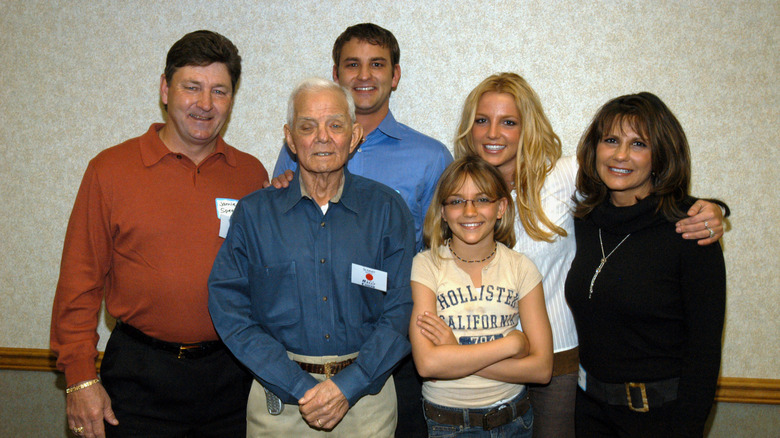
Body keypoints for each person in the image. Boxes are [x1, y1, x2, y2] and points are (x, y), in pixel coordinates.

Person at [453, 73, 726, 437]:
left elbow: (634, 184)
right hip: (485, 362)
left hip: (561, 364)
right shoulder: (457, 192)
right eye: (481, 120)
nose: (492, 133)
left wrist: (713, 210)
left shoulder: (564, 180)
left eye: (509, 122)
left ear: (527, 127)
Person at [49, 30, 269, 438]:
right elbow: (79, 282)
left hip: (231, 377)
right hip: (138, 377)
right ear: (165, 89)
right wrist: (80, 378)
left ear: (232, 100)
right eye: (192, 87)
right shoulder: (110, 170)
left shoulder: (251, 175)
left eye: (219, 91)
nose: (205, 104)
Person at [271, 23, 453, 436]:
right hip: (306, 348)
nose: (364, 76)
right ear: (336, 74)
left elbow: (440, 251)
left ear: (396, 74)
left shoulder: (429, 157)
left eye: (377, 64)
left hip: (393, 342)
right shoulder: (297, 149)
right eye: (352, 64)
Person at [208, 78, 416, 437]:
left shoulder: (387, 210)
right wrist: (298, 386)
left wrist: (348, 385)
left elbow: (402, 308)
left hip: (368, 399)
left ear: (354, 137)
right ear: (290, 138)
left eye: (335, 125)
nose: (322, 136)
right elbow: (229, 307)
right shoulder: (254, 214)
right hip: (279, 400)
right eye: (308, 126)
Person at [565, 92, 726, 436]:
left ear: (661, 155)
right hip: (590, 412)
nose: (620, 155)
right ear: (595, 148)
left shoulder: (690, 229)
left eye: (638, 143)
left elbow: (705, 350)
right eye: (611, 140)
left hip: (661, 419)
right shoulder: (584, 220)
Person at [410, 155, 553, 436]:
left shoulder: (521, 267)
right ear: (442, 211)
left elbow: (541, 369)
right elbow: (428, 364)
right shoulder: (426, 265)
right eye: (456, 201)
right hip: (448, 423)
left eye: (482, 199)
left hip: (514, 420)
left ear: (501, 207)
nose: (470, 211)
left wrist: (455, 354)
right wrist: (512, 345)